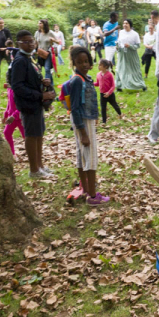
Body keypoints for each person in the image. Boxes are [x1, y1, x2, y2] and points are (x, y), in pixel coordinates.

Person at [9, 30, 56, 178]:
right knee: (31, 135)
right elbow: (17, 86)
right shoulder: (19, 61)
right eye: (26, 42)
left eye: (32, 41)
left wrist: (42, 82)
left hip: (36, 103)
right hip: (28, 104)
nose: (30, 44)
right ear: (19, 44)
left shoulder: (30, 58)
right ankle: (34, 169)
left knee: (39, 133)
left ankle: (40, 165)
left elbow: (30, 78)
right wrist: (40, 95)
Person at [66, 47, 109, 205]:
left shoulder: (86, 78)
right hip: (82, 121)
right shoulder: (78, 80)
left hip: (85, 120)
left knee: (82, 155)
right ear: (74, 63)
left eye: (86, 61)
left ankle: (85, 188)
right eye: (79, 62)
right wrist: (83, 132)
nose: (83, 64)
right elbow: (75, 107)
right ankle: (92, 196)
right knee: (90, 157)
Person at [114, 19, 146, 91]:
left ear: (130, 25)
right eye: (124, 23)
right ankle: (119, 86)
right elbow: (119, 42)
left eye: (127, 23)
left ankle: (142, 85)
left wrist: (130, 46)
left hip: (131, 55)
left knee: (135, 70)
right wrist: (117, 47)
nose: (125, 25)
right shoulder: (121, 32)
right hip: (122, 54)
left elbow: (138, 46)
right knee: (120, 68)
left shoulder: (135, 34)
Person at [2, 79, 24, 158]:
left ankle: (33, 153)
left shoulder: (19, 89)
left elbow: (22, 105)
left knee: (26, 135)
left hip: (20, 117)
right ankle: (12, 154)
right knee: (7, 132)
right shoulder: (9, 89)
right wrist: (6, 114)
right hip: (11, 117)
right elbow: (9, 103)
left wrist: (14, 115)